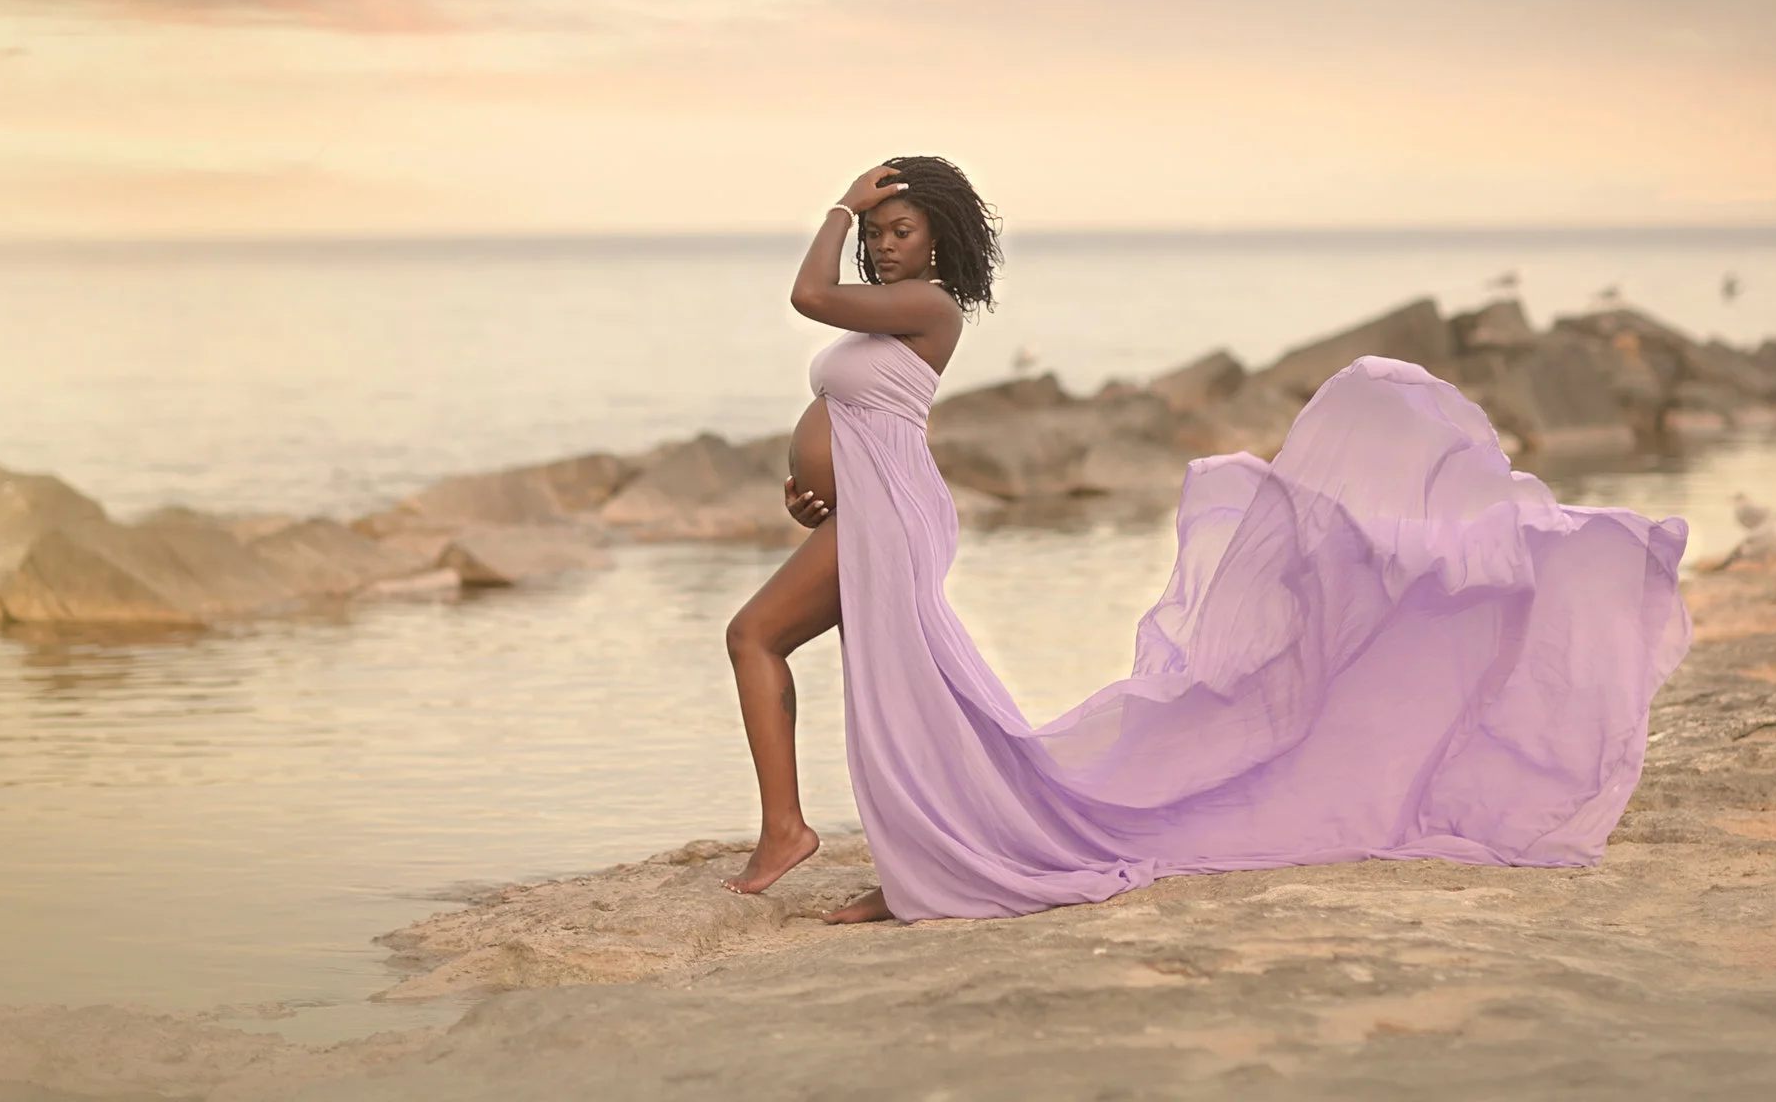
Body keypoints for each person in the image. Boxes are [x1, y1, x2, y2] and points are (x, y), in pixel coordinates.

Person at [723, 158, 1691, 924]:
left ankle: (788, 829)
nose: (884, 247)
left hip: (890, 519)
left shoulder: (928, 305)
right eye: (880, 232)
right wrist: (822, 491)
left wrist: (840, 208)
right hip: (868, 510)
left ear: (936, 243)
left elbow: (810, 296)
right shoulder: (890, 320)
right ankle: (920, 871)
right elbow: (869, 420)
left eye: (901, 230)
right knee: (903, 696)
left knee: (761, 639)